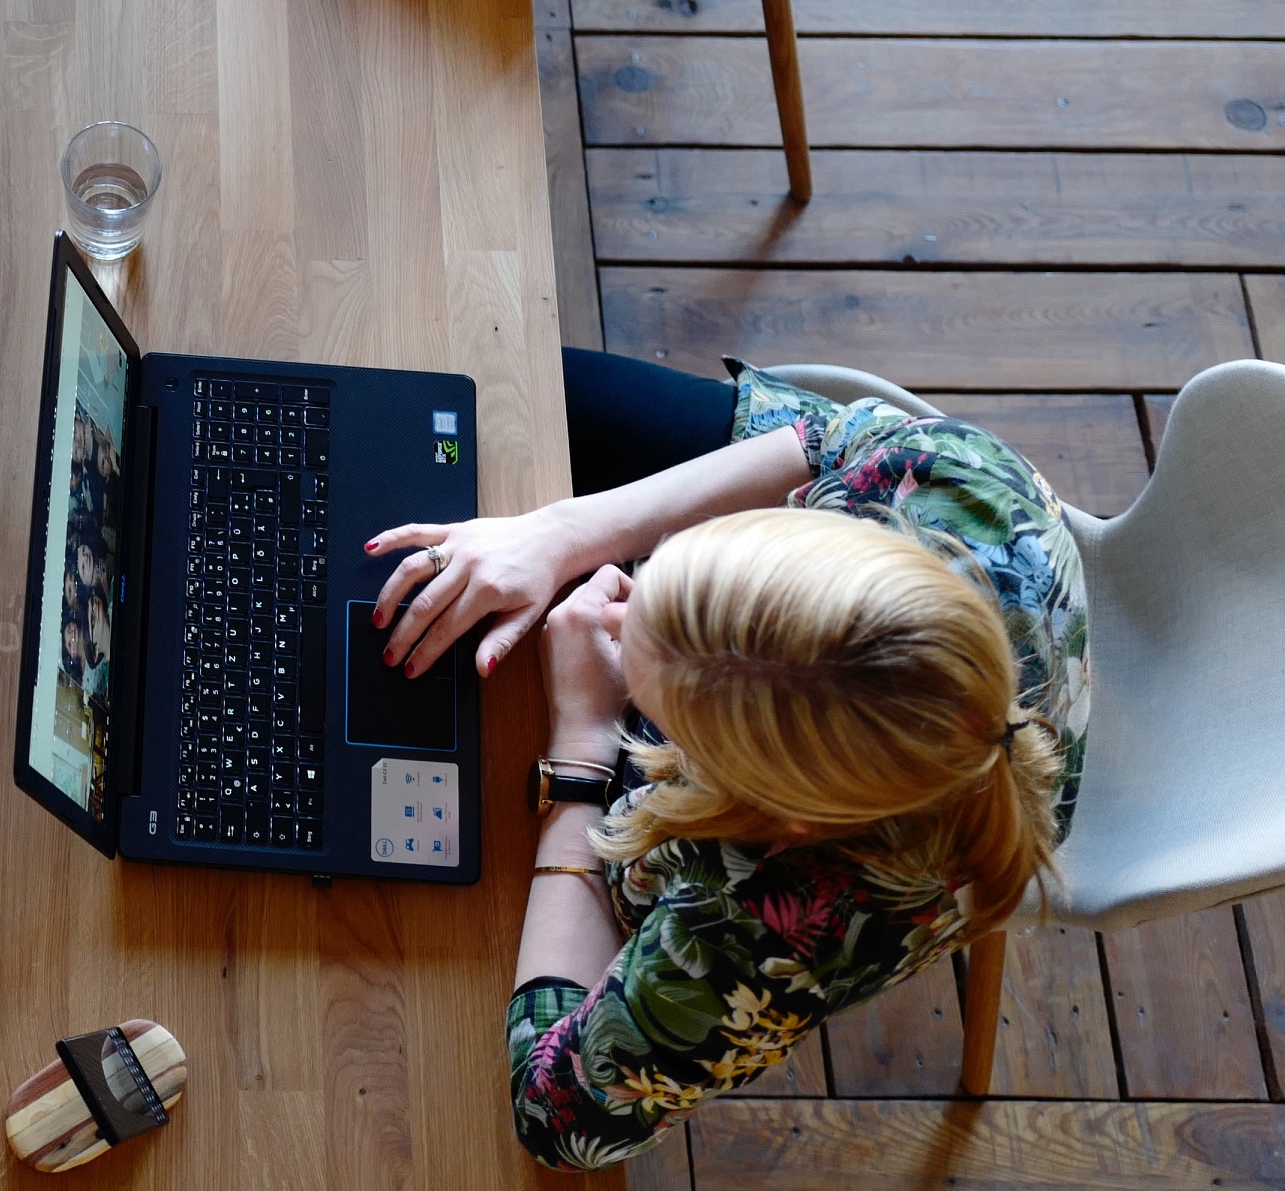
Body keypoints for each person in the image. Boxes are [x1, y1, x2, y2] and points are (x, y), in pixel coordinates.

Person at [363, 352, 1086, 1169]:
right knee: (512, 384)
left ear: (766, 807)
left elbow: (557, 1118)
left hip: (837, 860)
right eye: (664, 577)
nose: (616, 595)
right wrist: (556, 535)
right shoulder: (960, 478)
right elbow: (818, 436)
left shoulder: (773, 925)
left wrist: (585, 743)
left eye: (658, 703)